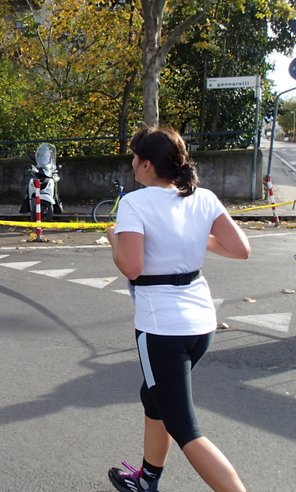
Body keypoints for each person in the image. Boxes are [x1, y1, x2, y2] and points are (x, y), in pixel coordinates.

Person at [105, 125, 251, 492]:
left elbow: (132, 266)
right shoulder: (203, 198)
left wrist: (112, 240)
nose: (133, 164)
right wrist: (193, 236)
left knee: (184, 427)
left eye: (135, 158)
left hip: (161, 327)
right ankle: (148, 479)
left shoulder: (135, 204)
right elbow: (240, 249)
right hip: (201, 323)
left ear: (148, 165)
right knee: (153, 398)